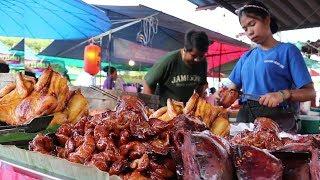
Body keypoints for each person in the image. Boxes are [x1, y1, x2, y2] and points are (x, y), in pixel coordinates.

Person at [216, 0, 316, 132]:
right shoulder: (246, 57)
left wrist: (282, 95)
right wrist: (220, 96)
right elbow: (230, 88)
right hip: (247, 124)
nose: (249, 32)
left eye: (252, 24)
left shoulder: (288, 51)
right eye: (245, 29)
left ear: (267, 19)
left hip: (279, 126)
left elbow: (310, 93)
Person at [143, 30, 211, 106]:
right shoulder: (169, 60)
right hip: (164, 109)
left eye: (201, 56)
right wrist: (151, 108)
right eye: (193, 56)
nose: (197, 60)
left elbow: (201, 86)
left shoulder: (203, 62)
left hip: (184, 111)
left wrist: (197, 105)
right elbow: (148, 82)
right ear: (185, 49)